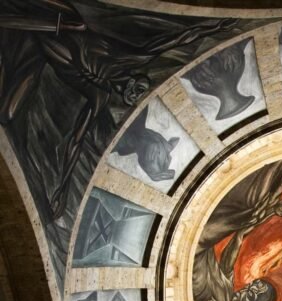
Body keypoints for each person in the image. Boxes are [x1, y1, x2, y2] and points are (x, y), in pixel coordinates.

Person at [0, 0, 238, 218]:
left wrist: (61, 189)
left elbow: (76, 141)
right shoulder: (126, 58)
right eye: (140, 87)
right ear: (136, 76)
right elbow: (175, 40)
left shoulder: (99, 95)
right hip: (58, 20)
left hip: (35, 52)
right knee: (68, 23)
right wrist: (215, 26)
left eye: (135, 95)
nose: (134, 94)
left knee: (8, 114)